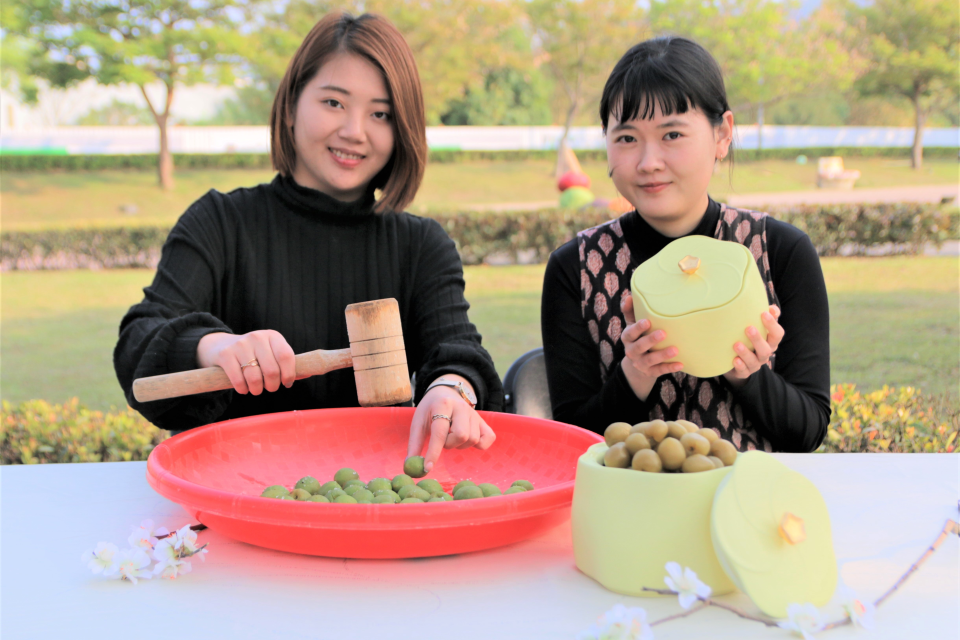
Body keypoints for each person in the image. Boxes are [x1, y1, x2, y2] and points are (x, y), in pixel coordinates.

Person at [114, 12, 501, 472]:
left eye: (380, 114)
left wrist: (449, 389)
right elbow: (138, 346)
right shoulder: (220, 222)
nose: (355, 131)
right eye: (335, 103)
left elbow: (458, 352)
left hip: (371, 500)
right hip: (235, 491)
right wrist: (215, 347)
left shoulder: (421, 245)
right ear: (292, 102)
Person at [540, 36, 830, 453]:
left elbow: (808, 432)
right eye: (626, 138)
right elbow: (573, 445)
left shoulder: (781, 251)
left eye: (672, 134)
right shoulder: (577, 268)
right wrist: (635, 374)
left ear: (723, 134)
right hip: (631, 510)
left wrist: (745, 371)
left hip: (748, 508)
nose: (648, 162)